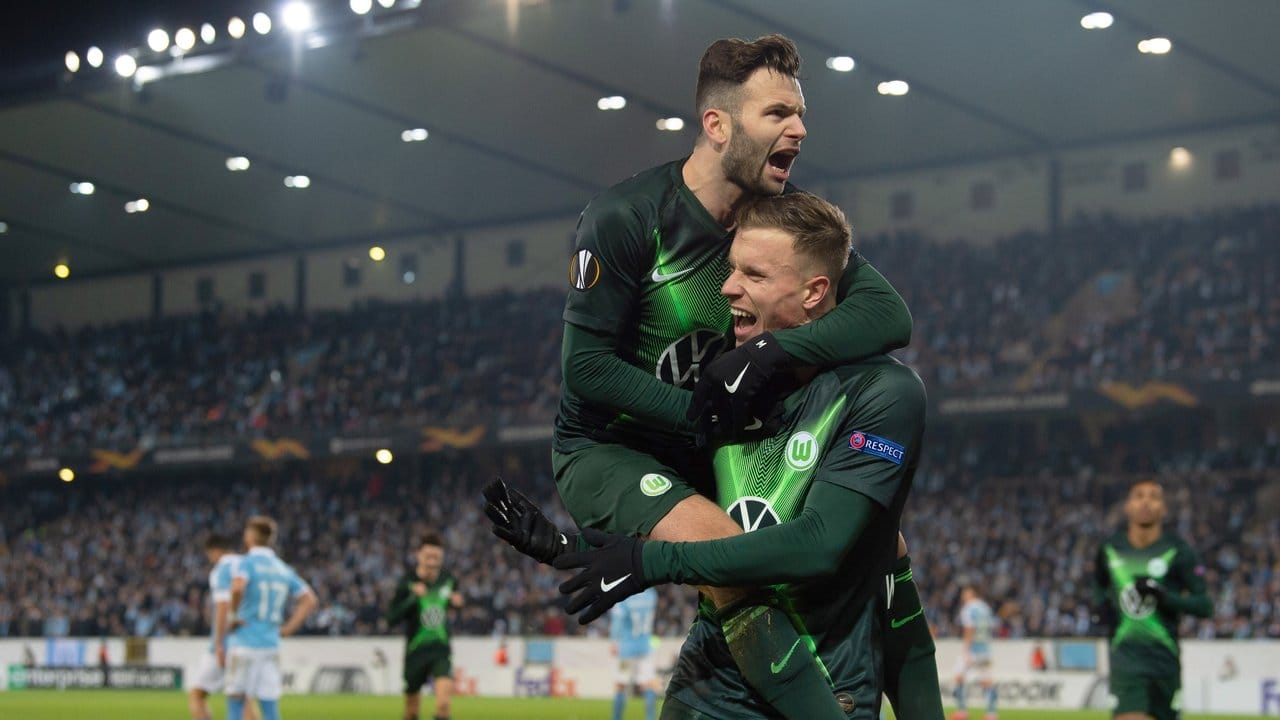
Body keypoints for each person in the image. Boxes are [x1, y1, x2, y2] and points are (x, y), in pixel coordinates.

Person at [547, 32, 912, 719]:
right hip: (615, 450)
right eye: (777, 114)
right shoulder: (626, 219)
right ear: (717, 125)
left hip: (716, 451)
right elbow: (587, 370)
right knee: (728, 557)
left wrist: (770, 357)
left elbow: (890, 316)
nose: (800, 129)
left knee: (878, 546)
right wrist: (705, 415)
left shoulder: (776, 222)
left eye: (800, 114)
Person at [1091, 478, 1212, 720]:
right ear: (1127, 506)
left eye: (1154, 497)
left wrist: (1164, 597)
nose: (1146, 502)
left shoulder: (1179, 550)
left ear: (1163, 508)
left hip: (1164, 660)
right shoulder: (1110, 549)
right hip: (1126, 657)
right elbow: (1098, 583)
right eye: (1139, 495)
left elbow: (1205, 605)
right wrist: (1100, 607)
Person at [226, 516, 317, 720]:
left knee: (236, 701)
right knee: (269, 705)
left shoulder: (246, 563)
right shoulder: (283, 568)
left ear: (250, 536)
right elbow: (310, 600)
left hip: (245, 641)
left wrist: (232, 616)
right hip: (271, 644)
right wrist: (287, 629)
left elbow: (237, 587)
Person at [386, 531, 464, 720]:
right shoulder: (407, 582)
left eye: (436, 557)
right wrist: (413, 598)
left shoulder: (449, 580)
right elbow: (391, 619)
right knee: (411, 711)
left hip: (440, 649)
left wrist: (457, 604)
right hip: (415, 651)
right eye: (428, 556)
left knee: (444, 705)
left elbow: (452, 604)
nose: (432, 561)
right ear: (418, 555)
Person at [189, 534, 256, 720]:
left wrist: (219, 643)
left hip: (227, 642)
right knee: (243, 699)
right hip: (250, 639)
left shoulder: (222, 569)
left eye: (209, 555)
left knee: (196, 695)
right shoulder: (248, 565)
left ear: (215, 551)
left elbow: (222, 607)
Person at [610, 588, 661, 720]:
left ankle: (616, 718)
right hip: (645, 646)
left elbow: (617, 621)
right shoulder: (651, 595)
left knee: (620, 684)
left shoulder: (623, 596)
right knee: (648, 683)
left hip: (627, 648)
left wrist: (614, 641)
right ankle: (650, 718)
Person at [950, 585, 997, 720]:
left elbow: (969, 629)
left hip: (973, 649)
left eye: (965, 594)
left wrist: (966, 649)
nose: (963, 596)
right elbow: (990, 627)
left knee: (958, 676)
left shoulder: (968, 608)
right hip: (985, 648)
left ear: (971, 594)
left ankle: (962, 711)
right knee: (987, 681)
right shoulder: (985, 608)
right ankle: (991, 714)